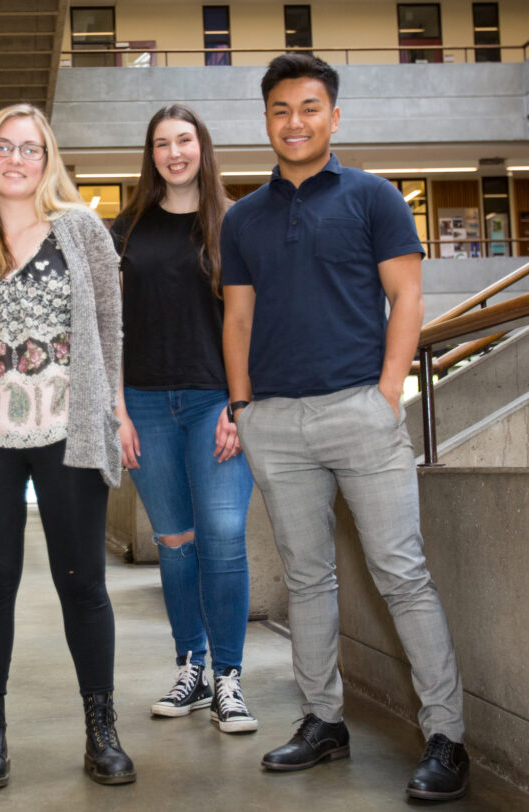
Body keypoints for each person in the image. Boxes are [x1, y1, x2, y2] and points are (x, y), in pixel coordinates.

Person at [221, 54, 468, 801]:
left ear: (335, 116)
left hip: (361, 409)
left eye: (309, 107)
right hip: (276, 422)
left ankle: (447, 736)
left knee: (402, 575)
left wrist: (388, 392)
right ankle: (323, 720)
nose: (294, 122)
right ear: (266, 119)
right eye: (280, 110)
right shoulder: (243, 217)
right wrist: (242, 406)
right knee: (307, 578)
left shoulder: (375, 197)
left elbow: (409, 297)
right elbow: (236, 314)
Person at [0, 103, 135, 790]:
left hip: (68, 432)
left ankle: (101, 731)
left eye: (30, 148)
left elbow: (110, 325)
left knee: (82, 581)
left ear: (48, 160)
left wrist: (114, 409)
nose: (15, 160)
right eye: (2, 148)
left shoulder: (80, 230)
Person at [111, 105, 256, 733]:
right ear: (150, 154)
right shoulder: (125, 230)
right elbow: (107, 326)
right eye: (162, 143)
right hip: (144, 401)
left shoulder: (235, 223)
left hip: (213, 403)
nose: (174, 153)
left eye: (185, 141)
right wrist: (116, 410)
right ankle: (190, 667)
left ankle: (229, 677)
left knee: (222, 533)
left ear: (203, 147)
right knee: (174, 541)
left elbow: (254, 320)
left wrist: (240, 403)